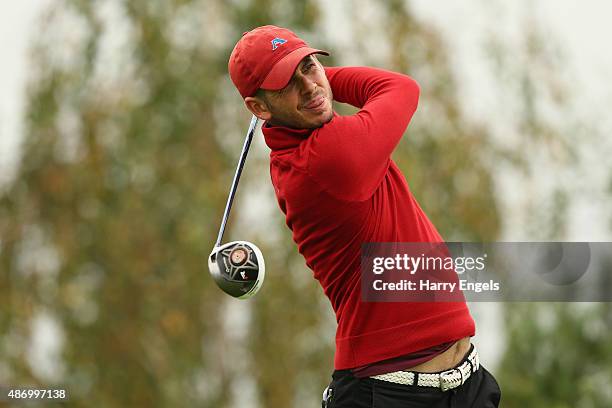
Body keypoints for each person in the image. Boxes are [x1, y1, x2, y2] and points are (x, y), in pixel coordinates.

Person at [228, 25, 501, 407]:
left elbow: (374, 88)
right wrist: (325, 84)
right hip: (391, 395)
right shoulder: (325, 160)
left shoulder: (317, 143)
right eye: (287, 82)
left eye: (309, 66)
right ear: (258, 108)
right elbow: (401, 88)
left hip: (464, 386)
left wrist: (311, 85)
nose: (308, 86)